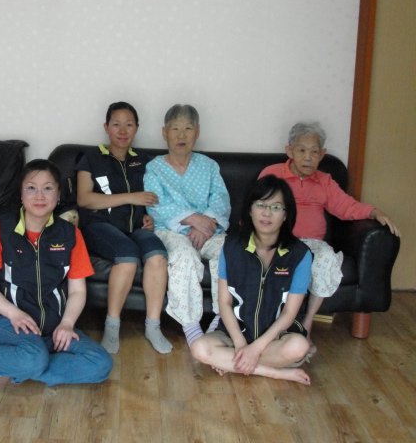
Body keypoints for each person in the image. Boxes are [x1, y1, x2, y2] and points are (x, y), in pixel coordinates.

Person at [0, 159, 113, 385]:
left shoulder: (70, 234)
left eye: (48, 188)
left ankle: (10, 362)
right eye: (31, 188)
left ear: (58, 194)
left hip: (56, 325)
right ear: (21, 194)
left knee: (101, 364)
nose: (39, 196)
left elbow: (77, 291)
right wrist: (13, 313)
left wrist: (67, 323)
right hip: (11, 322)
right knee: (34, 357)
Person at [259, 122, 400, 354]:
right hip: (278, 239)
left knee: (325, 258)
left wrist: (374, 212)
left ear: (322, 154)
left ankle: (306, 326)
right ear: (289, 151)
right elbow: (256, 207)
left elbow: (346, 206)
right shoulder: (272, 174)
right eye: (301, 150)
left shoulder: (324, 181)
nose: (308, 157)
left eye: (314, 151)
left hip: (312, 243)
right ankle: (272, 328)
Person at [190, 175, 312, 385]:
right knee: (198, 348)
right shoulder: (231, 247)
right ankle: (274, 372)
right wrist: (240, 345)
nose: (267, 213)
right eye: (260, 205)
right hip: (235, 335)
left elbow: (290, 313)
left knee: (298, 347)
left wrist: (256, 348)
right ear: (249, 209)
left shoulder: (300, 254)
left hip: (276, 339)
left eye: (276, 207)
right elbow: (224, 303)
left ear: (285, 214)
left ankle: (232, 362)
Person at [75, 102, 171, 354]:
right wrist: (131, 197)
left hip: (136, 227)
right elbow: (84, 199)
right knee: (127, 257)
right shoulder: (90, 158)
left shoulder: (145, 161)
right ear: (106, 127)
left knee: (158, 257)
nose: (122, 130)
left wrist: (150, 216)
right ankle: (112, 325)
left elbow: (155, 197)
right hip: (99, 225)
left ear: (137, 128)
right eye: (116, 124)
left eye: (129, 124)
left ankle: (153, 326)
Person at [144, 104, 231, 348]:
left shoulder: (209, 166)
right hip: (171, 231)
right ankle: (191, 324)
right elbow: (155, 204)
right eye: (175, 129)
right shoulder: (155, 168)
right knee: (184, 256)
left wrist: (205, 224)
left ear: (197, 132)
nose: (181, 135)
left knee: (229, 251)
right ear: (164, 133)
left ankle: (221, 319)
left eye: (188, 128)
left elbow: (220, 199)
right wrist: (194, 219)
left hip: (210, 230)